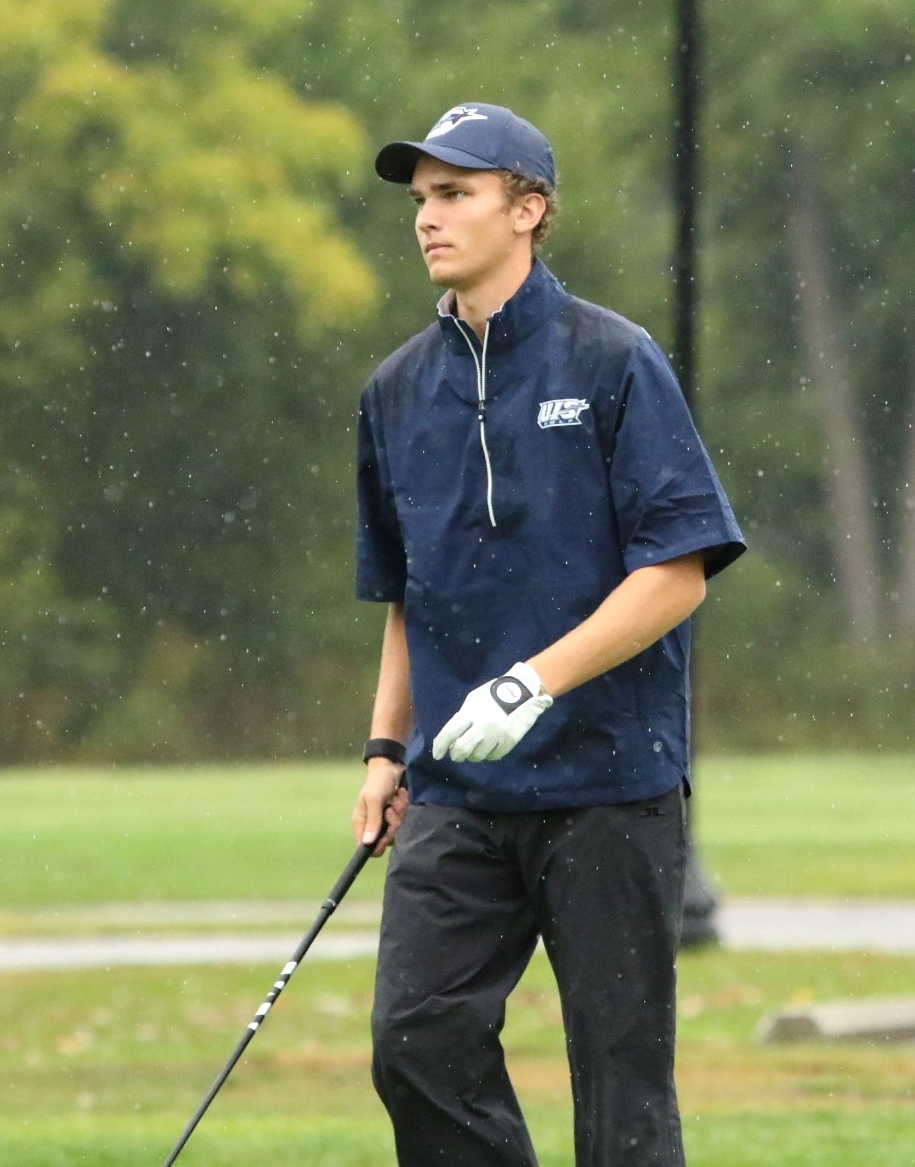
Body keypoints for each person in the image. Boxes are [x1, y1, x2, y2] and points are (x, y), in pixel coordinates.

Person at [347, 102, 745, 1167]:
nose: (429, 218)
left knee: (619, 1090)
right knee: (415, 1041)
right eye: (422, 198)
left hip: (608, 783)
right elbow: (405, 590)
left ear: (527, 209)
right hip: (457, 793)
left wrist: (531, 683)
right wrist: (387, 748)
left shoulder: (611, 360)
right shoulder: (392, 393)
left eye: (456, 194)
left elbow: (676, 572)